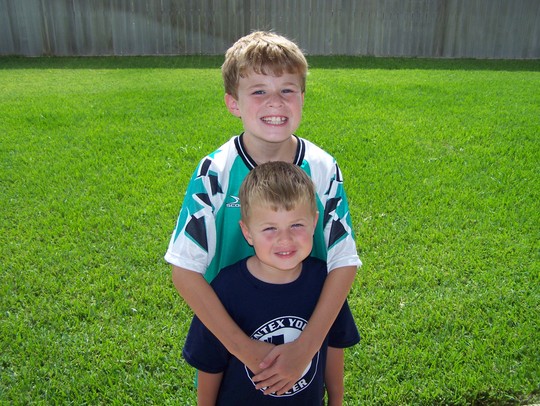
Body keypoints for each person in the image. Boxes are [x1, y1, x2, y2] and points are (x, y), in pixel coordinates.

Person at [165, 30, 361, 395]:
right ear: (233, 103)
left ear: (302, 98)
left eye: (287, 89)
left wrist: (305, 348)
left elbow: (343, 261)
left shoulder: (323, 167)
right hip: (233, 339)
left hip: (303, 336)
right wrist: (247, 350)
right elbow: (185, 270)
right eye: (258, 91)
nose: (275, 102)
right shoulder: (214, 172)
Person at [183, 161, 360, 405]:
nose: (285, 239)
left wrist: (336, 399)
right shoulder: (226, 288)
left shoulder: (324, 282)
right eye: (269, 228)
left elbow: (334, 345)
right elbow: (210, 363)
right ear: (247, 232)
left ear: (314, 223)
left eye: (296, 225)